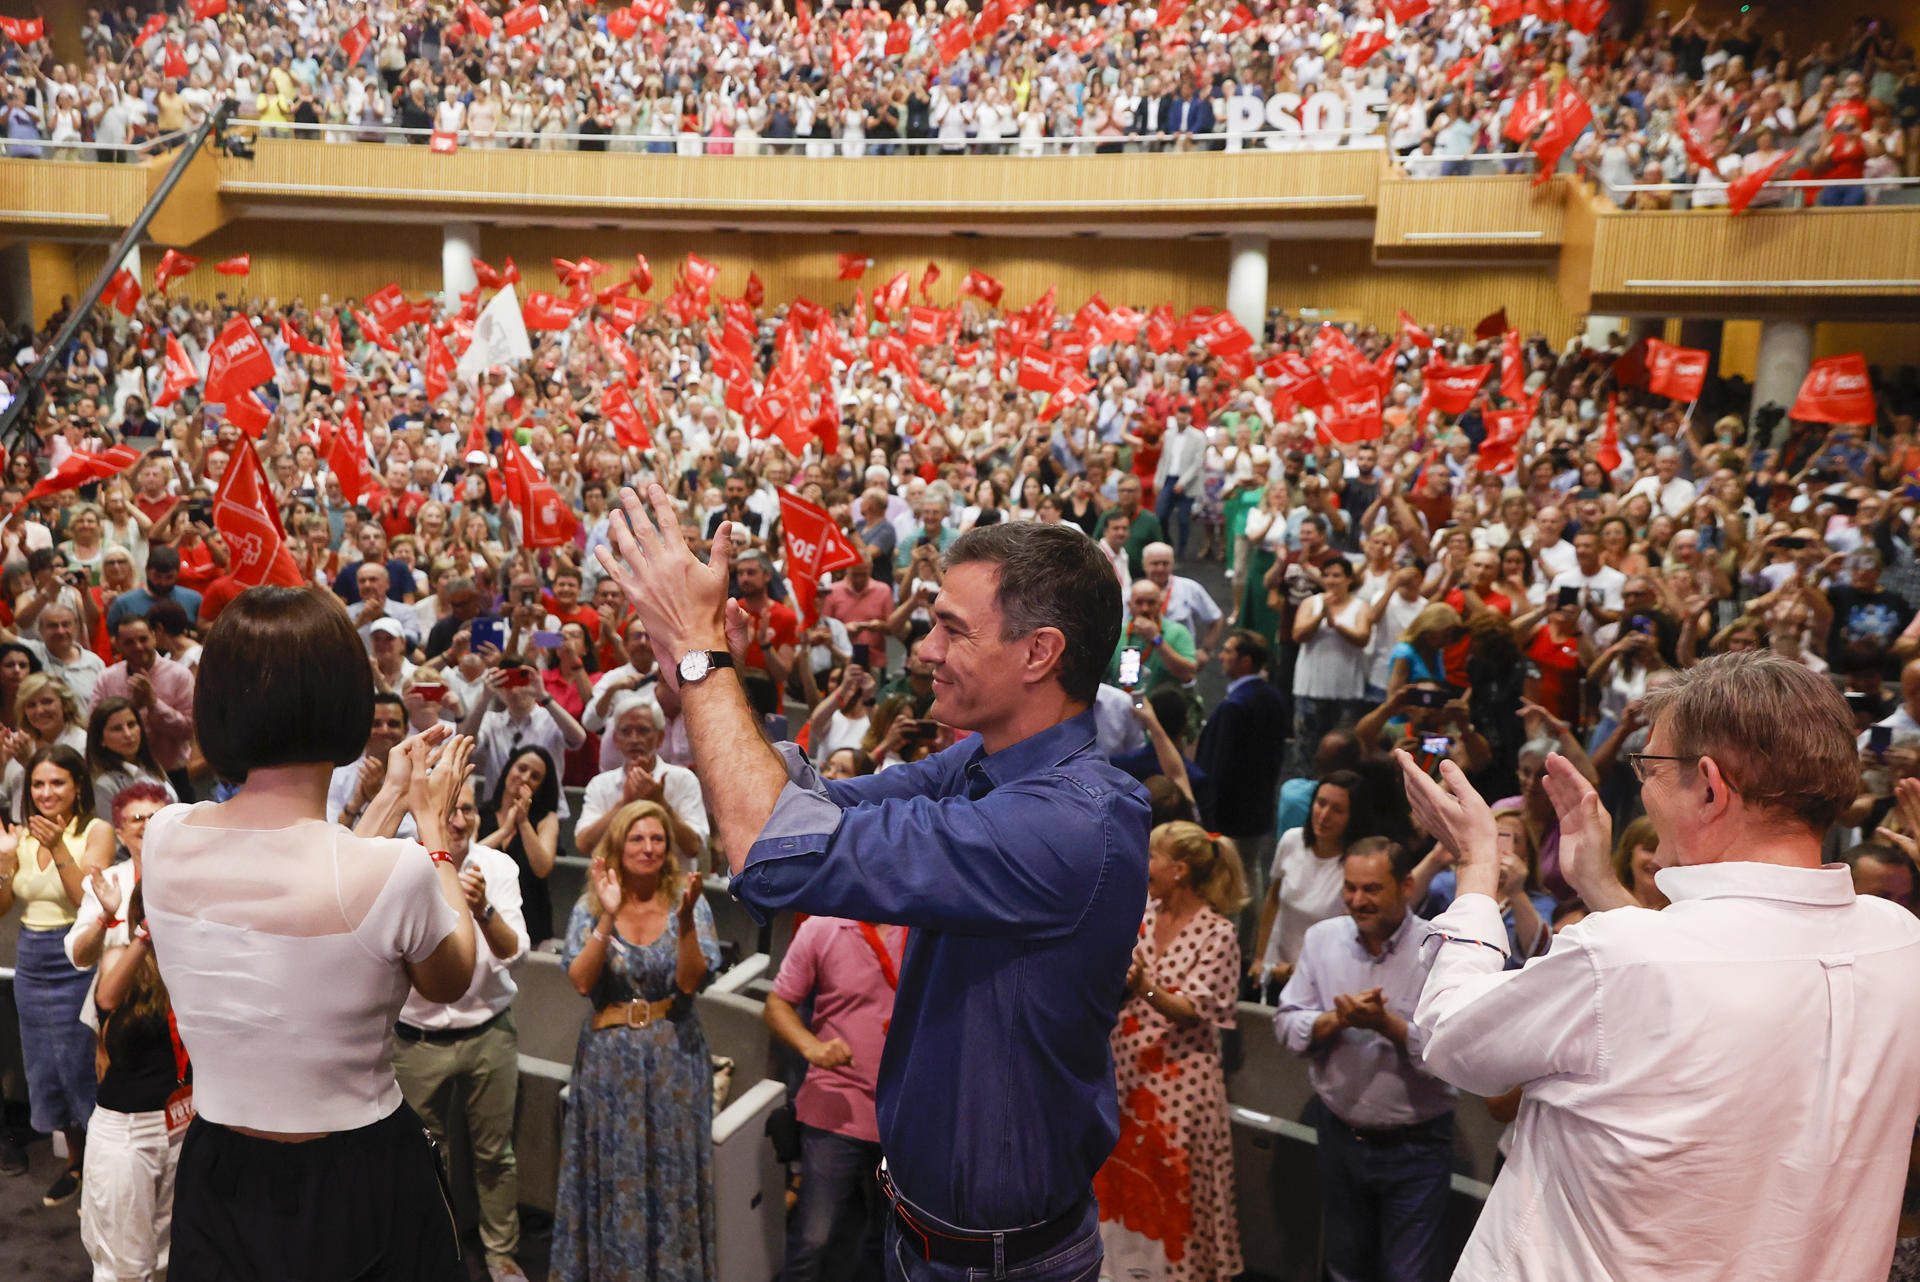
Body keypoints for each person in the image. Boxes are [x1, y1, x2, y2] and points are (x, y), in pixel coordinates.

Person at [596, 496, 1146, 1281]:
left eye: (953, 629)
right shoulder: (982, 764)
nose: (924, 650)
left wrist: (701, 655)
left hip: (1001, 1266)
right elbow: (808, 803)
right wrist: (704, 673)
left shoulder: (1070, 823)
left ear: (1040, 653)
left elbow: (772, 846)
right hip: (924, 1239)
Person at [1398, 652, 1920, 1280]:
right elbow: (1702, 973)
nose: (1642, 786)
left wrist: (1476, 870)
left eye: (1649, 765)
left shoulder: (1624, 956)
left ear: (1708, 784)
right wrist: (1598, 884)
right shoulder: (1902, 942)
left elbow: (1453, 1038)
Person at [142, 586, 476, 1282]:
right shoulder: (399, 871)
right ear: (347, 702)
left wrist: (387, 800)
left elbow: (321, 879)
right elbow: (450, 977)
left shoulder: (166, 837)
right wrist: (434, 829)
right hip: (359, 1180)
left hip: (218, 1171)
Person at [553, 799, 721, 1282]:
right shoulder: (589, 904)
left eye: (657, 839)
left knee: (672, 1176)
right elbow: (583, 982)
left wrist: (686, 922)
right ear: (619, 844)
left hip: (675, 1059)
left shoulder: (690, 900)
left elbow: (690, 982)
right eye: (637, 838)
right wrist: (607, 917)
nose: (648, 848)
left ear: (668, 848)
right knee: (613, 1174)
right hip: (609, 1065)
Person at [1276, 839, 1456, 1282]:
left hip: (1418, 1147)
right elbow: (1285, 1025)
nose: (1358, 901)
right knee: (1343, 1271)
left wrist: (1386, 1025)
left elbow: (1452, 1059)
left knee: (1407, 1276)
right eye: (1350, 888)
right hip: (1338, 1135)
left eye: (1372, 889)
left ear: (1407, 886)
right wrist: (1335, 1020)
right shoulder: (1322, 940)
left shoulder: (1440, 951)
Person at [390, 777, 531, 1282]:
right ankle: (436, 1255)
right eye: (449, 809)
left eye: (467, 809)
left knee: (497, 1154)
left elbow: (517, 952)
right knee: (423, 1158)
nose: (458, 819)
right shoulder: (401, 864)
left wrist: (482, 910)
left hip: (488, 1031)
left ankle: (501, 1254)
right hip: (417, 1040)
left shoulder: (497, 867)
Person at [1093, 821, 1245, 1282]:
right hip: (1127, 1078)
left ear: (1179, 869)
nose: (1145, 865)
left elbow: (1192, 1011)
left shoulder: (1218, 934)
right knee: (1119, 1189)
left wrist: (1145, 988)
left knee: (1172, 1193)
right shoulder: (1143, 916)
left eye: (1152, 855)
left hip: (1179, 1093)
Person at [71, 782, 182, 1282]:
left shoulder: (190, 900)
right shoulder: (113, 895)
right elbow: (95, 976)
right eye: (137, 819)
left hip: (181, 1113)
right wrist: (122, 920)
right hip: (128, 1103)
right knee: (123, 1263)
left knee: (169, 1249)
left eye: (157, 816)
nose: (147, 826)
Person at [1, 744, 116, 1205]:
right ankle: (74, 1163)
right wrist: (5, 868)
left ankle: (104, 1167)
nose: (46, 793)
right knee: (44, 1067)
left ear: (78, 785)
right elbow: (5, 907)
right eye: (38, 784)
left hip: (79, 953)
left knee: (82, 1064)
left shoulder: (96, 830)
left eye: (57, 782)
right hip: (31, 958)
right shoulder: (22, 835)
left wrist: (56, 847)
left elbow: (88, 901)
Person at [765, 910, 906, 1282]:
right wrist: (811, 1048)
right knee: (814, 1237)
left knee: (891, 1236)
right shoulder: (821, 928)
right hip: (835, 1107)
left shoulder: (923, 932)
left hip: (902, 1115)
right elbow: (776, 1006)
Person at [1251, 770, 1364, 994]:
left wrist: (1296, 971)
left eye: (1337, 810)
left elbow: (1349, 939)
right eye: (1320, 803)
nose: (1324, 815)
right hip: (1274, 971)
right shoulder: (1292, 840)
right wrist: (1260, 957)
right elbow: (1273, 899)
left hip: (1320, 980)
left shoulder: (1355, 866)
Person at [575, 692, 708, 860]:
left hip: (673, 883)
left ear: (660, 737)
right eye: (626, 731)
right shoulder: (600, 784)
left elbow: (693, 847)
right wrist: (623, 803)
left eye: (643, 730)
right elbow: (583, 844)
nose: (634, 739)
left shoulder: (683, 779)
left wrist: (660, 802)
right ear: (615, 740)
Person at [93, 616, 196, 801]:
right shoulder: (106, 679)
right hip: (119, 778)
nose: (138, 647)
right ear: (117, 644)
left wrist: (153, 703)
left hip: (172, 773)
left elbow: (189, 730)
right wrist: (130, 709)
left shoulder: (180, 675)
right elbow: (94, 729)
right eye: (129, 642)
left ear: (154, 637)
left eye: (143, 639)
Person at [478, 745, 562, 947]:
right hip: (482, 922)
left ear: (541, 786)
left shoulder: (547, 819)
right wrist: (504, 832)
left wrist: (523, 823)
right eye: (521, 768)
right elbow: (469, 858)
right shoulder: (481, 814)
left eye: (535, 776)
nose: (525, 778)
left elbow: (542, 868)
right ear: (509, 769)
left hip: (533, 925)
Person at [86, 694, 177, 824]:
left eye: (131, 724)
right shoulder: (104, 784)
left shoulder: (152, 767)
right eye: (117, 729)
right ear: (101, 739)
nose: (128, 734)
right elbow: (114, 838)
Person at [102, 545, 201, 635]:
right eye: (157, 576)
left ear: (178, 573)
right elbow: (114, 641)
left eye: (169, 577)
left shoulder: (194, 600)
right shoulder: (123, 603)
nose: (163, 583)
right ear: (147, 570)